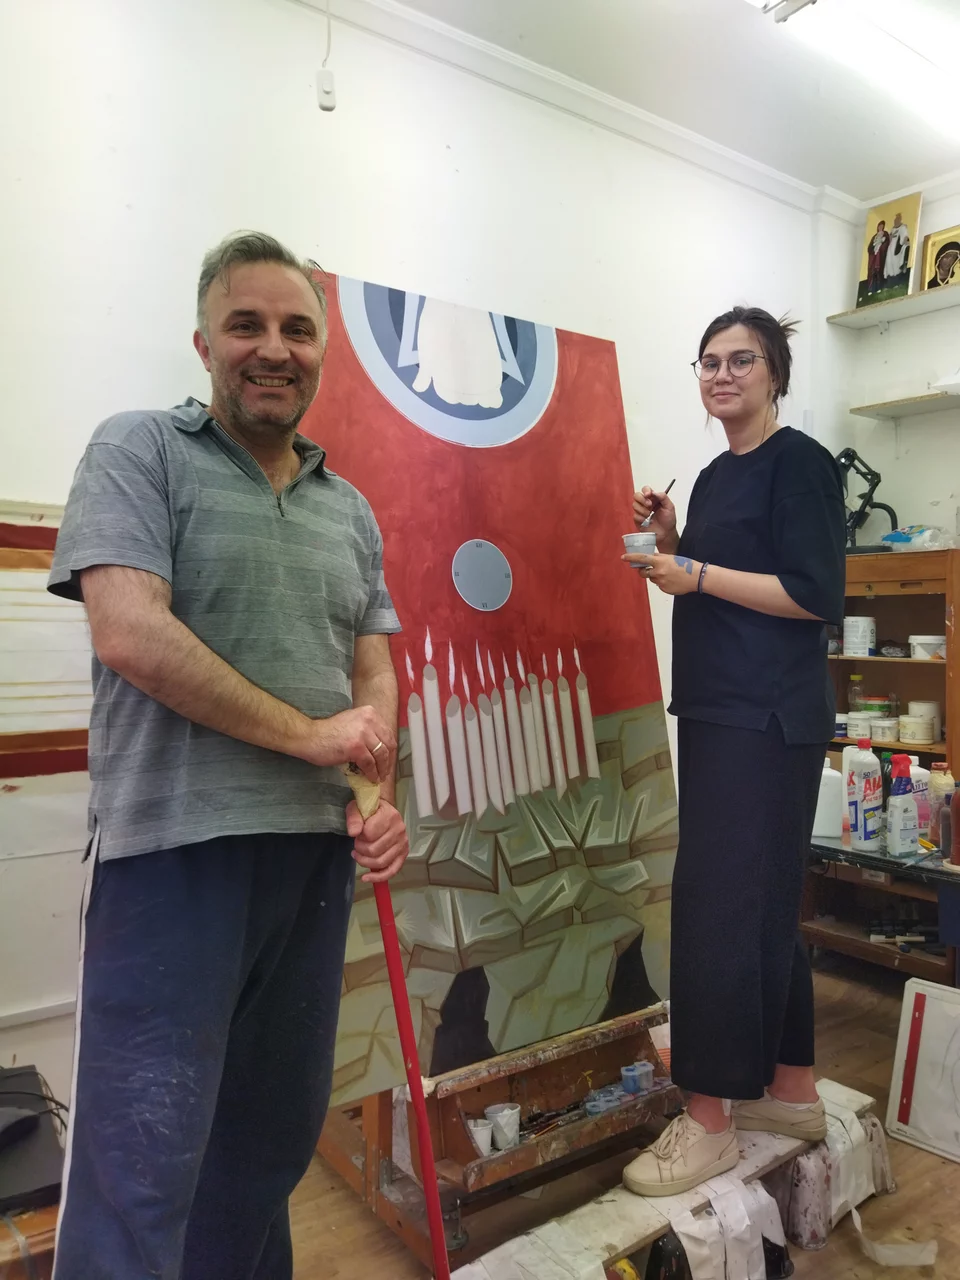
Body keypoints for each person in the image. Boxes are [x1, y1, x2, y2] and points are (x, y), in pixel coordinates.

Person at [47, 231, 409, 1279]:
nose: (273, 348)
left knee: (265, 1148)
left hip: (312, 861)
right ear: (204, 342)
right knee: (140, 1168)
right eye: (246, 324)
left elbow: (374, 672)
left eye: (297, 329)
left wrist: (375, 789)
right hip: (172, 856)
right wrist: (311, 735)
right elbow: (129, 631)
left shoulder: (349, 508)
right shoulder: (140, 451)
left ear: (322, 352)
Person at [621, 306, 846, 1197]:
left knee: (718, 908)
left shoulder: (802, 465)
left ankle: (710, 1119)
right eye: (709, 362)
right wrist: (675, 543)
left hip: (768, 718)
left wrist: (698, 572)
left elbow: (814, 592)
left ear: (775, 373)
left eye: (741, 360)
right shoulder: (717, 474)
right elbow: (715, 587)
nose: (721, 375)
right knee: (762, 904)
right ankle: (791, 1091)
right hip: (721, 712)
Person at [883, 211, 911, 283]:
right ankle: (891, 276)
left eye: (897, 219)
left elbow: (905, 237)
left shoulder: (903, 227)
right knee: (889, 260)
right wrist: (890, 237)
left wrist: (903, 243)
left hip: (898, 248)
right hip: (891, 247)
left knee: (896, 262)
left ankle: (896, 277)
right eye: (895, 220)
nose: (895, 221)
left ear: (900, 220)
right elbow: (890, 236)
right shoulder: (893, 228)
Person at [866, 220, 889, 294]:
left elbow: (886, 242)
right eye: (879, 226)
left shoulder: (885, 234)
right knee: (872, 272)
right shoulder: (874, 236)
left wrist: (880, 248)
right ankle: (871, 289)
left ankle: (879, 287)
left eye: (882, 226)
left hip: (880, 256)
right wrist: (873, 250)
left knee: (878, 271)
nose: (880, 227)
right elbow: (870, 247)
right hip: (874, 256)